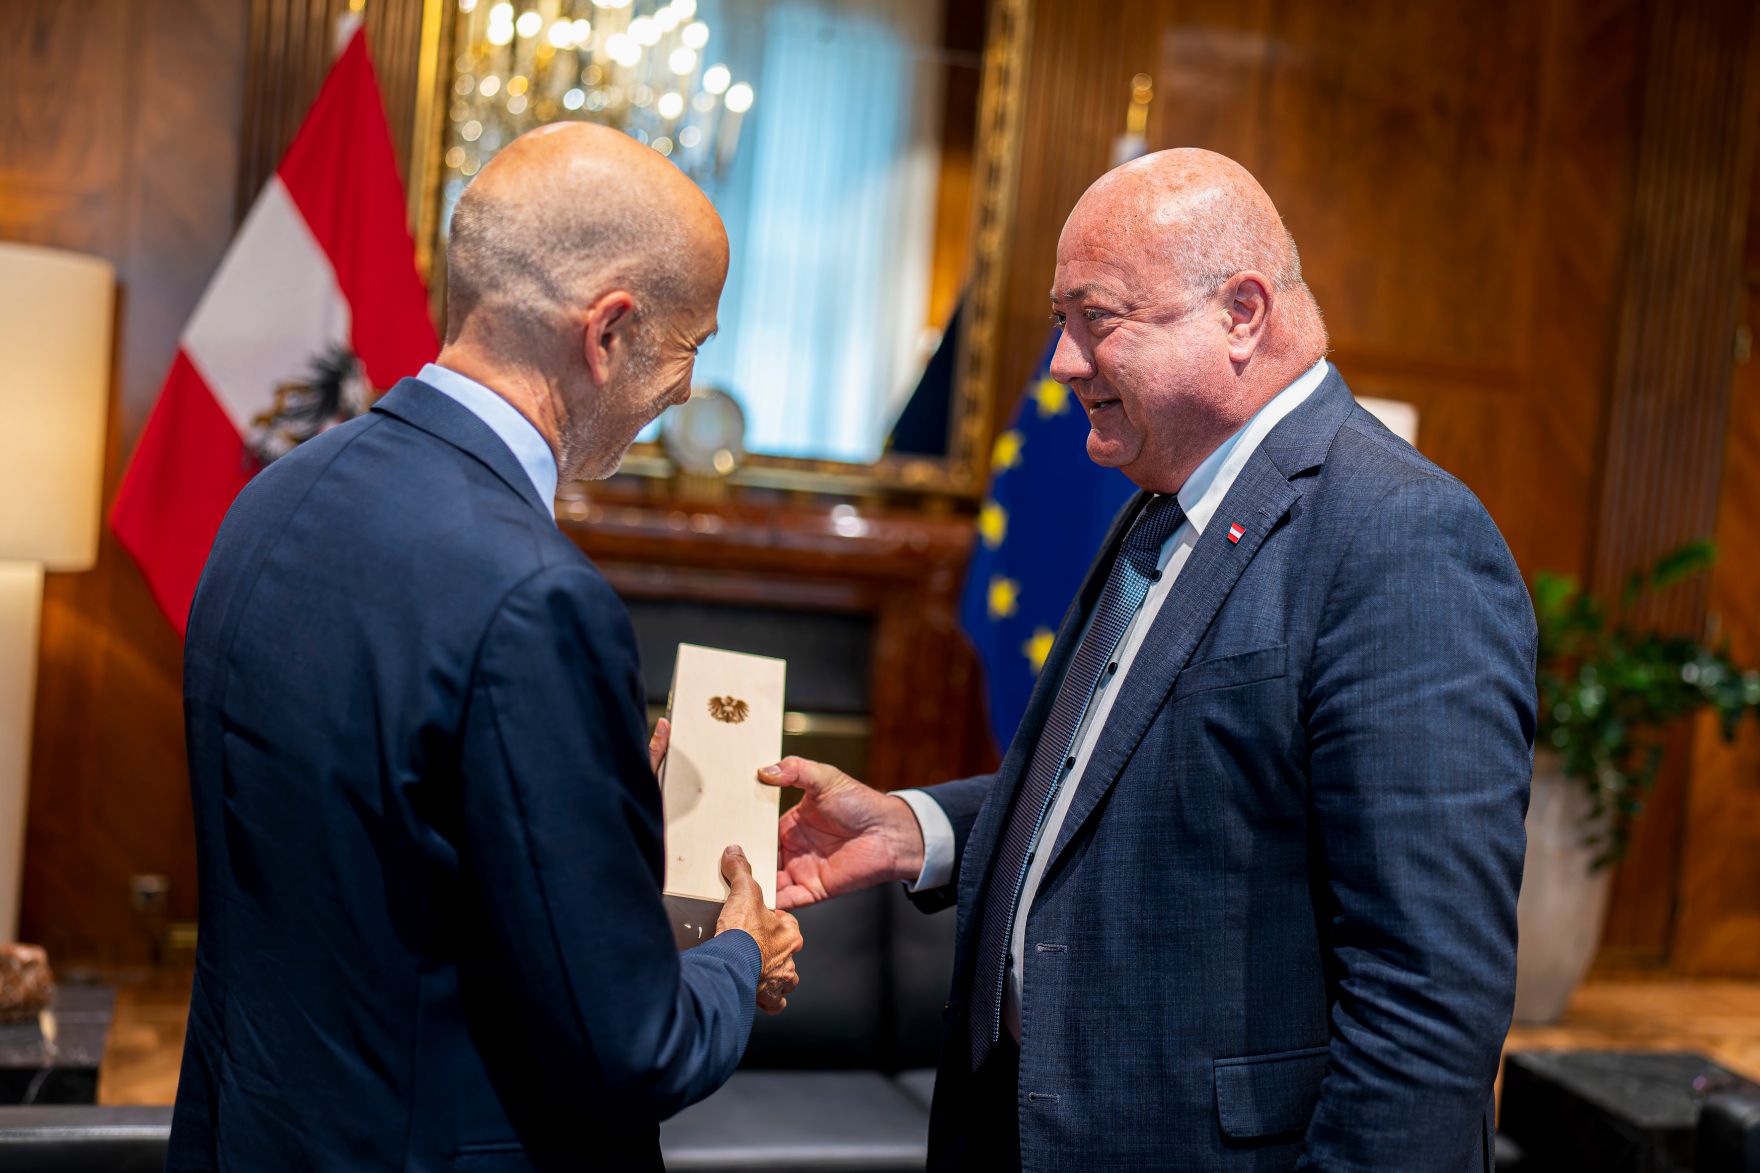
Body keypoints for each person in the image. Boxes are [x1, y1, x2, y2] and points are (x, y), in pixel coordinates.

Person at [760, 148, 1536, 1171]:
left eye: (1098, 319)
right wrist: (919, 829)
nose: (1061, 364)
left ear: (1242, 313)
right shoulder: (1160, 509)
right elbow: (1137, 791)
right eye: (1059, 321)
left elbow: (1428, 997)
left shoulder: (1398, 535)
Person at [169, 122, 802, 1171]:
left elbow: (372, 857)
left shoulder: (269, 498)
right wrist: (742, 951)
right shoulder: (536, 598)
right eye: (691, 345)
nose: (687, 390)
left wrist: (587, 796)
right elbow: (631, 1049)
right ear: (607, 332)